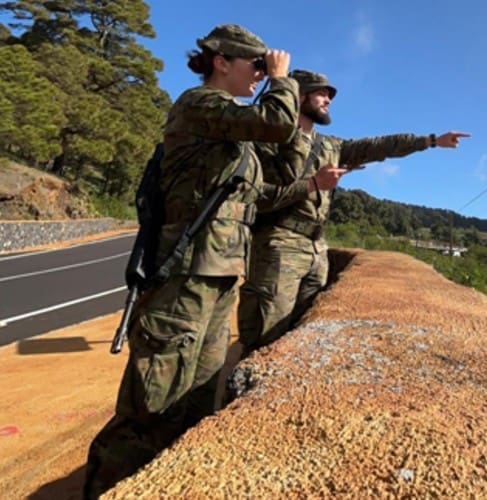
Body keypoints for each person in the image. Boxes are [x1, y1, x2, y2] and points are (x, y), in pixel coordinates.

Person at [83, 25, 300, 499]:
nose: (261, 74)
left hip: (220, 274)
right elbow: (277, 123)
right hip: (184, 271)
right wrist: (282, 82)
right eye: (255, 66)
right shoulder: (199, 105)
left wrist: (306, 156)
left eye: (266, 68)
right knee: (152, 406)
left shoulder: (230, 130)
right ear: (221, 61)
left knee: (197, 402)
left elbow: (270, 179)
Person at [236, 68, 470, 352]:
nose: (328, 99)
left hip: (317, 250)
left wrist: (430, 141)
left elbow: (378, 146)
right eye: (321, 93)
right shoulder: (269, 141)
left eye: (329, 94)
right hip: (278, 245)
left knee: (301, 338)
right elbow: (258, 198)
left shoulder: (330, 145)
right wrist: (313, 184)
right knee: (264, 338)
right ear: (298, 95)